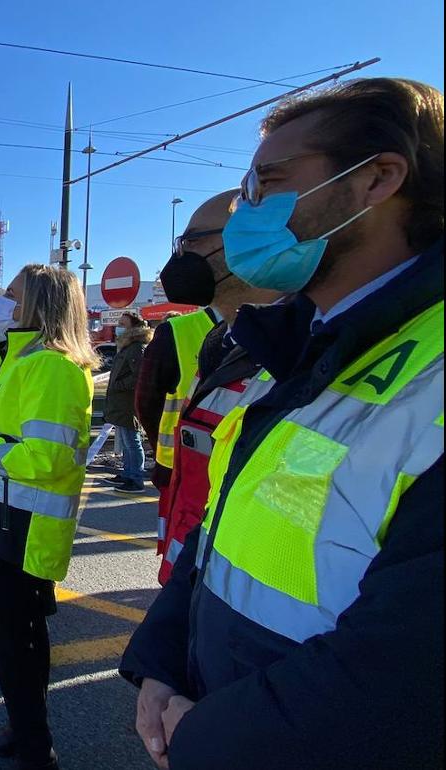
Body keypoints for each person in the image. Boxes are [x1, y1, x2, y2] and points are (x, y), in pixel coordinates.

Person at [121, 77, 443, 770]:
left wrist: (208, 737)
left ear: (378, 179)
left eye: (267, 184)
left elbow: (407, 678)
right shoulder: (295, 343)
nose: (247, 211)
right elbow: (227, 526)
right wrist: (162, 660)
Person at [0, 264, 97, 770]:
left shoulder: (52, 366)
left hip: (23, 526)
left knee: (15, 640)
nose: (2, 303)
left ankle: (35, 748)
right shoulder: (28, 359)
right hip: (6, 517)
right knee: (15, 637)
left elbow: (47, 458)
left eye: (11, 295)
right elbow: (13, 424)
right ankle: (25, 728)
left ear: (37, 302)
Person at [151, 189, 282, 583]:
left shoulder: (287, 353)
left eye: (191, 241)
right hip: (193, 574)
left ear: (248, 242)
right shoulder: (222, 344)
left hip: (231, 586)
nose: (179, 256)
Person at [135, 291, 218, 542]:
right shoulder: (176, 332)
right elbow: (146, 404)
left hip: (230, 473)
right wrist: (162, 450)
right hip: (180, 470)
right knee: (180, 547)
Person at [104, 312, 152, 493]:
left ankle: (136, 478)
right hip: (122, 402)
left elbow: (139, 375)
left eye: (122, 324)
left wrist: (119, 385)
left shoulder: (136, 348)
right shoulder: (128, 346)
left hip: (128, 403)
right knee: (127, 441)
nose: (118, 327)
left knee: (132, 441)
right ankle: (128, 473)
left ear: (133, 327)